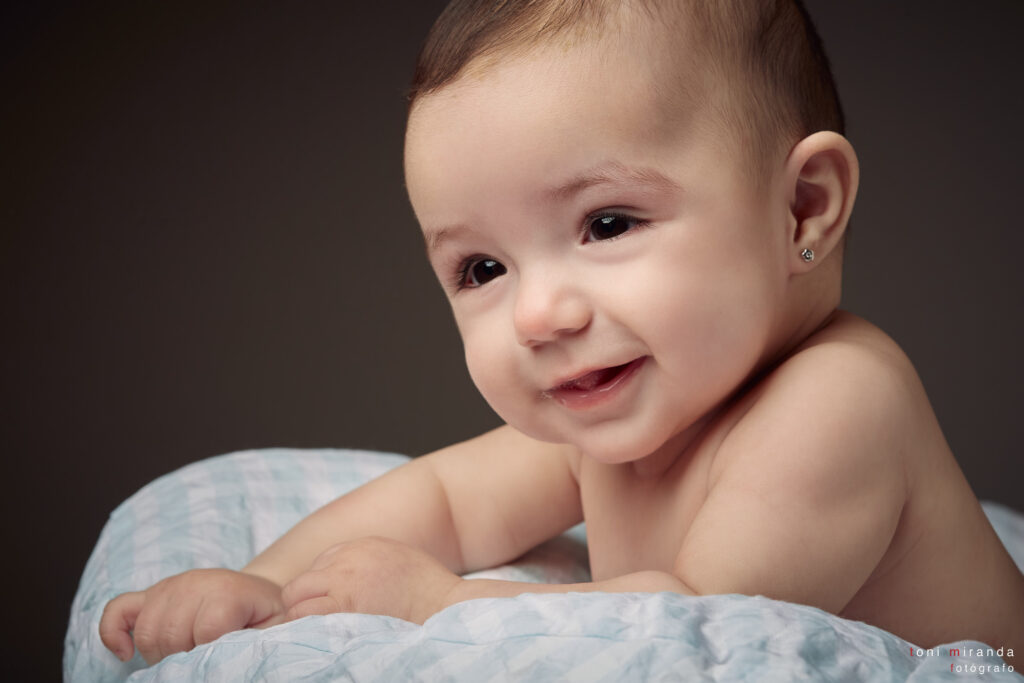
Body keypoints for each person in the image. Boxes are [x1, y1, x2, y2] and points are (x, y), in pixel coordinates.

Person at [100, 0, 1024, 667]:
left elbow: (697, 624)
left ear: (801, 209)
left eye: (609, 224)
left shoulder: (839, 402)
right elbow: (442, 500)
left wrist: (444, 604)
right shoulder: (613, 422)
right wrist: (263, 584)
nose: (539, 315)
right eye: (483, 270)